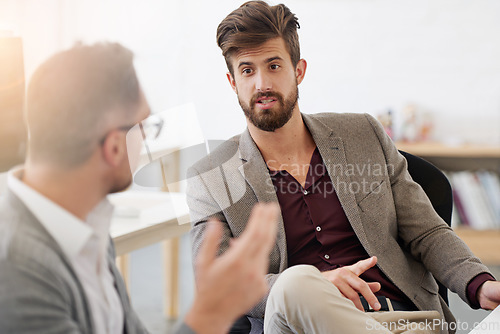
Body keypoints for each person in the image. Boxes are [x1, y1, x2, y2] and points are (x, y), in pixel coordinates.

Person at [186, 1, 500, 333]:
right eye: (247, 70)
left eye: (274, 65)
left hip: (406, 321)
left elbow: (426, 231)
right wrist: (317, 285)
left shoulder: (363, 134)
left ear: (299, 70)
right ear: (233, 82)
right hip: (300, 325)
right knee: (295, 283)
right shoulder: (210, 177)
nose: (262, 83)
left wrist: (480, 283)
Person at [0, 42, 280, 334]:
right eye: (145, 127)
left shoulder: (86, 229)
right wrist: (210, 314)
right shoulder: (15, 272)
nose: (147, 139)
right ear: (114, 147)